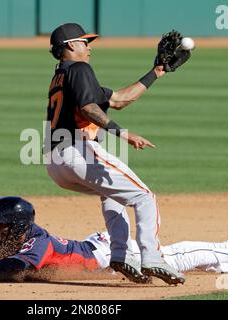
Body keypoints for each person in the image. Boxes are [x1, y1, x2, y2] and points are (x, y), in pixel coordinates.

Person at [44, 23, 192, 284]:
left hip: (56, 164)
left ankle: (121, 255)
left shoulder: (63, 76)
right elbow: (90, 108)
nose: (89, 47)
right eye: (84, 42)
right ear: (70, 45)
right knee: (144, 197)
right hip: (78, 151)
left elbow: (120, 99)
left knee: (113, 195)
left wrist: (156, 72)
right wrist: (123, 134)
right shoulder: (80, 69)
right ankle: (153, 258)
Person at [0, 197, 228, 283]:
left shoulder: (34, 243)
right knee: (170, 259)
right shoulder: (15, 238)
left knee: (169, 259)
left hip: (105, 252)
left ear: (17, 225)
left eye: (1, 225)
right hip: (93, 248)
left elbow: (9, 269)